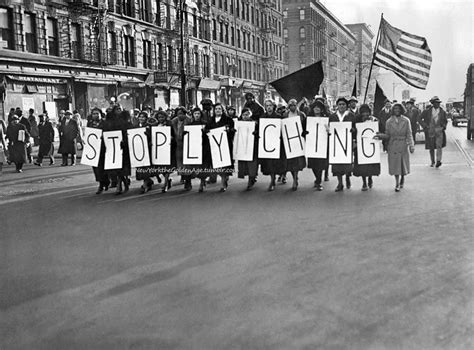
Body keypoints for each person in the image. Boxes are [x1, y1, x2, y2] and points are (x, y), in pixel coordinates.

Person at [375, 103, 415, 192]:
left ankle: (402, 179)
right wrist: (380, 135)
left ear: (401, 110)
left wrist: (411, 145)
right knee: (395, 165)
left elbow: (409, 134)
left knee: (402, 164)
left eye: (399, 109)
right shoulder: (389, 121)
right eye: (395, 109)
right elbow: (387, 135)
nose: (397, 110)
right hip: (392, 145)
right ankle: (397, 183)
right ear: (393, 110)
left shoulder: (406, 120)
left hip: (403, 145)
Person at [328, 97, 356, 192]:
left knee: (347, 162)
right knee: (337, 164)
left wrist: (353, 131)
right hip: (336, 143)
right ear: (337, 106)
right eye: (340, 104)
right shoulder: (332, 116)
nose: (341, 106)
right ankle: (340, 183)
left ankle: (348, 177)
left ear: (346, 106)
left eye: (343, 104)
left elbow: (355, 128)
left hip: (347, 142)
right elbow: (329, 128)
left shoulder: (351, 116)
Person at [206, 103, 235, 192]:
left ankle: (223, 182)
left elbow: (232, 131)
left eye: (219, 109)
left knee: (224, 164)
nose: (217, 110)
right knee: (217, 164)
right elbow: (207, 130)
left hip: (225, 145)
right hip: (215, 146)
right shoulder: (210, 120)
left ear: (222, 110)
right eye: (216, 109)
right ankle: (223, 178)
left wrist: (229, 130)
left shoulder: (229, 120)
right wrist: (206, 132)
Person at [259, 99, 287, 191]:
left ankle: (281, 175)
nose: (269, 107)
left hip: (277, 144)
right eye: (267, 106)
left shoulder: (279, 117)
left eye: (270, 105)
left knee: (277, 163)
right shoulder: (263, 117)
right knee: (269, 163)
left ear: (273, 106)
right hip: (267, 145)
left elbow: (283, 130)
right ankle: (272, 180)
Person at [353, 104, 380, 191]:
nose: (365, 115)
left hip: (370, 145)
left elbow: (380, 128)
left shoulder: (374, 119)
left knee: (370, 163)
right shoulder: (356, 119)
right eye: (363, 113)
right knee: (362, 165)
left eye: (367, 113)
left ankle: (370, 178)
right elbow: (353, 131)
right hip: (360, 145)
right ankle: (364, 181)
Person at [283, 99, 307, 191]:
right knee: (290, 161)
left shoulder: (302, 115)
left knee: (297, 161)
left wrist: (304, 134)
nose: (292, 107)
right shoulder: (285, 115)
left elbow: (305, 127)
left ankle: (295, 178)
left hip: (299, 140)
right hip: (289, 141)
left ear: (297, 105)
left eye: (294, 105)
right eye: (290, 105)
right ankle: (294, 177)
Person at [306, 100, 329, 191]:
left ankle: (319, 181)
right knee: (313, 163)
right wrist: (305, 132)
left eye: (318, 107)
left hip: (322, 144)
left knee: (321, 163)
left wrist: (328, 130)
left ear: (321, 109)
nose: (316, 108)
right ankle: (317, 178)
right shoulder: (308, 118)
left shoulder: (326, 118)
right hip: (312, 144)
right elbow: (303, 129)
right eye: (315, 107)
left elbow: (330, 129)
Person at [419, 96, 448, 168]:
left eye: (438, 103)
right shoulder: (427, 111)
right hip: (430, 131)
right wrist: (425, 126)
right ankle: (432, 161)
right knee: (431, 147)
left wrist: (443, 127)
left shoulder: (442, 112)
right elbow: (419, 118)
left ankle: (438, 161)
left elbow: (445, 120)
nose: (437, 104)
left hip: (439, 131)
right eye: (436, 103)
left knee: (439, 146)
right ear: (432, 103)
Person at [87, 108, 110, 194]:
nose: (95, 115)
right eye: (93, 114)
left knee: (103, 167)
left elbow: (109, 133)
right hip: (94, 149)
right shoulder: (90, 124)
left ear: (101, 114)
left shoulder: (105, 123)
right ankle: (101, 183)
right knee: (96, 168)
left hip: (103, 148)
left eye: (97, 113)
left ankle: (105, 182)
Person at [188, 107, 211, 192]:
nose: (197, 115)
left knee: (204, 166)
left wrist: (205, 132)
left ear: (200, 115)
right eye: (195, 114)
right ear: (193, 115)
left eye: (198, 113)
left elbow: (209, 134)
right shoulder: (190, 125)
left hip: (204, 147)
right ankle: (202, 180)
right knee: (196, 166)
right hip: (195, 148)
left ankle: (202, 182)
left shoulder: (205, 123)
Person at [171, 106, 194, 190]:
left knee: (187, 164)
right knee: (180, 163)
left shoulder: (189, 120)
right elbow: (171, 131)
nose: (179, 115)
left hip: (187, 145)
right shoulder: (174, 121)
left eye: (181, 113)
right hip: (178, 145)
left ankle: (188, 182)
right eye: (178, 114)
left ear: (185, 113)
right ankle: (183, 176)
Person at [237, 108, 259, 190]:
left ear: (250, 115)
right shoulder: (239, 124)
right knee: (244, 164)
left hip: (252, 147)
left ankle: (251, 178)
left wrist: (256, 132)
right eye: (243, 115)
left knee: (252, 164)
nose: (245, 116)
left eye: (247, 114)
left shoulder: (255, 123)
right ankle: (251, 177)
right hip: (243, 147)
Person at [155, 110, 176, 192]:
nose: (161, 119)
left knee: (167, 168)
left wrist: (171, 138)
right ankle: (168, 180)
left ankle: (165, 184)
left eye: (162, 117)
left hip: (168, 148)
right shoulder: (156, 125)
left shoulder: (170, 125)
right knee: (161, 168)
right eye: (159, 117)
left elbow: (174, 134)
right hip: (159, 150)